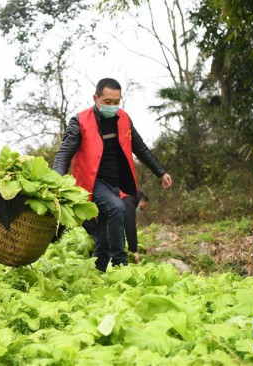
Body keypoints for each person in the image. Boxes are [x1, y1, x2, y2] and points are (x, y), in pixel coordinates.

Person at [53, 78, 172, 272]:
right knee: (118, 208)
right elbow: (64, 153)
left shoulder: (123, 118)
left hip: (114, 184)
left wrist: (160, 171)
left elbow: (139, 147)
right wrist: (57, 179)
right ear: (96, 98)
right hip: (91, 184)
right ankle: (121, 264)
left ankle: (98, 270)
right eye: (107, 102)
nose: (112, 106)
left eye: (116, 102)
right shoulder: (80, 121)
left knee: (105, 236)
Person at [83, 191, 149, 264]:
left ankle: (100, 265)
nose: (141, 210)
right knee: (105, 243)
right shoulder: (129, 200)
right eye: (143, 207)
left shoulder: (126, 195)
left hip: (91, 212)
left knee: (105, 242)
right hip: (91, 214)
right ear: (142, 201)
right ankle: (100, 267)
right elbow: (129, 224)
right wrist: (134, 250)